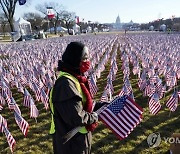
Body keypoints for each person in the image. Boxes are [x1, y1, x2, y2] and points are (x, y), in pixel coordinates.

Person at [49, 41, 107, 154]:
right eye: (84, 58)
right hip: (70, 143)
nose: (87, 61)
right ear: (75, 60)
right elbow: (76, 117)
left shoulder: (75, 79)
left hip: (78, 138)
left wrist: (102, 105)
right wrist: (95, 116)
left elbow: (82, 104)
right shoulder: (65, 84)